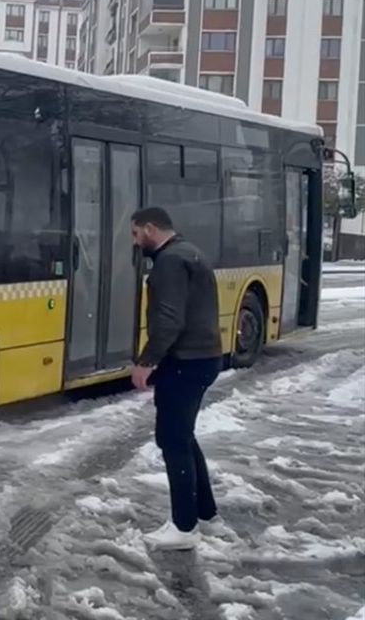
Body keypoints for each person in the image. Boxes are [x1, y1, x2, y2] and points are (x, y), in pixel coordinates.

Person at [130, 206, 225, 551]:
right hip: (205, 357)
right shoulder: (192, 251)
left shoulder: (169, 262)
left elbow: (169, 318)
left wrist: (147, 361)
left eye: (136, 233)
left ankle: (184, 527)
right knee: (183, 434)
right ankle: (204, 510)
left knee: (171, 438)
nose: (135, 240)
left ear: (151, 229)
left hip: (185, 361)